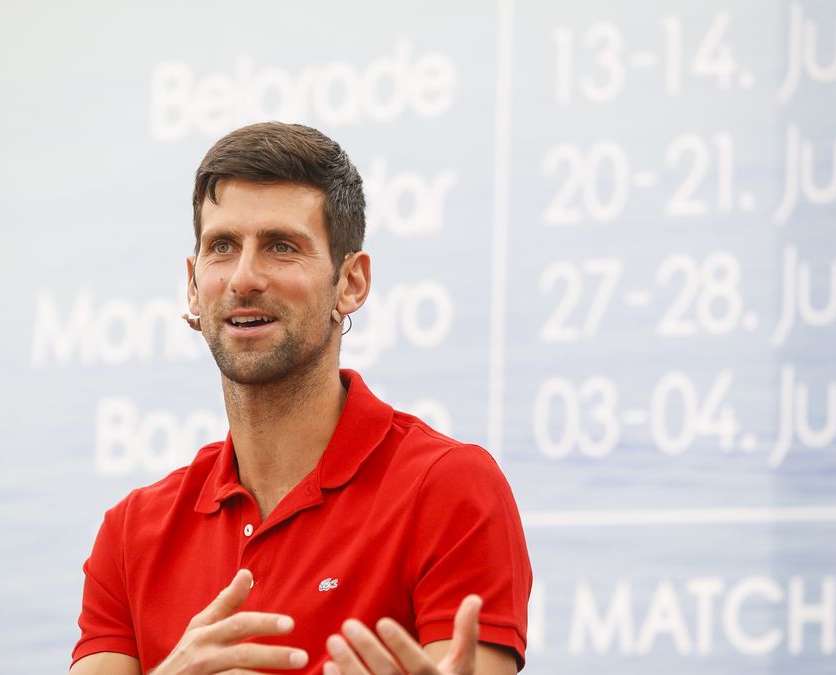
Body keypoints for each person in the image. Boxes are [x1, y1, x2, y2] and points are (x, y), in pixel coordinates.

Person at [70, 122, 532, 675]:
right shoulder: (130, 533)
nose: (244, 278)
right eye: (222, 247)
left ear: (351, 282)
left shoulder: (450, 489)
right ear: (193, 284)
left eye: (281, 247)